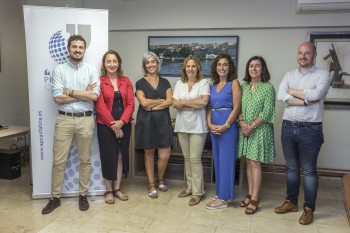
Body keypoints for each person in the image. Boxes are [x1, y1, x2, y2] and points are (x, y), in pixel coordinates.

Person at [42, 35, 100, 214]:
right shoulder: (59, 70)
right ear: (68, 49)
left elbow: (94, 96)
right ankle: (55, 198)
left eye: (80, 47)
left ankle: (83, 195)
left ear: (84, 50)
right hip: (64, 119)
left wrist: (71, 91)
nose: (77, 50)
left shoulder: (91, 69)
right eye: (74, 46)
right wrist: (83, 93)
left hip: (85, 119)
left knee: (85, 160)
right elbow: (58, 98)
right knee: (58, 161)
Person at [274, 42, 331, 225]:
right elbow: (281, 95)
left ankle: (308, 208)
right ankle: (291, 202)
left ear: (314, 55)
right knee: (291, 168)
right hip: (289, 126)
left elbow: (317, 94)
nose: (303, 56)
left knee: (308, 170)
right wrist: (305, 100)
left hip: (310, 128)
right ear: (297, 54)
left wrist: (293, 93)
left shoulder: (322, 74)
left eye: (307, 53)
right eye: (300, 53)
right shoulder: (289, 74)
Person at [237, 56, 276, 215]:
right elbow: (236, 107)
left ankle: (255, 198)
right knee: (248, 161)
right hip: (244, 128)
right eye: (251, 66)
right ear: (248, 69)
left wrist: (251, 126)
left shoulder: (268, 87)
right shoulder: (243, 86)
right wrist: (242, 123)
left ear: (263, 69)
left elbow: (267, 112)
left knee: (255, 163)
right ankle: (250, 193)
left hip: (259, 130)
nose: (254, 69)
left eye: (257, 66)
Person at [95, 50, 134, 204]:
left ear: (119, 63)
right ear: (104, 64)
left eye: (114, 61)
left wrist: (122, 122)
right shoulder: (99, 81)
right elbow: (100, 106)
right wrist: (114, 126)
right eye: (108, 61)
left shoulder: (126, 81)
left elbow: (131, 104)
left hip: (124, 125)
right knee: (108, 156)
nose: (112, 64)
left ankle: (117, 188)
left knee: (120, 156)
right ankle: (109, 190)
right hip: (105, 126)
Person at [205, 54, 242, 210]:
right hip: (214, 126)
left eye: (225, 64)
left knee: (227, 160)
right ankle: (220, 193)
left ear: (230, 67)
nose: (222, 67)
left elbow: (236, 107)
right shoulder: (212, 85)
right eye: (219, 64)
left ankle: (225, 198)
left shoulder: (234, 83)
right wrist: (209, 123)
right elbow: (208, 108)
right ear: (215, 67)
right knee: (218, 160)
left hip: (228, 126)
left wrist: (226, 125)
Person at [173, 55, 210, 206]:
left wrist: (183, 103)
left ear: (198, 68)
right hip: (182, 125)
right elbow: (175, 104)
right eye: (188, 66)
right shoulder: (179, 83)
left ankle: (197, 192)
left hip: (198, 126)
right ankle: (189, 187)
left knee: (195, 159)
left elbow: (204, 102)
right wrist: (191, 105)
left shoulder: (204, 83)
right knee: (186, 158)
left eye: (193, 66)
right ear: (184, 68)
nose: (190, 69)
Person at [135, 51, 173, 199]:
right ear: (145, 65)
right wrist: (160, 100)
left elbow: (170, 101)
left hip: (163, 121)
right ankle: (151, 184)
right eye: (148, 62)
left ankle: (160, 179)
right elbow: (143, 102)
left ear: (158, 64)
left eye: (153, 62)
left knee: (165, 154)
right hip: (146, 122)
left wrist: (154, 105)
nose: (151, 65)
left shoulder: (165, 82)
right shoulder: (140, 82)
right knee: (149, 153)